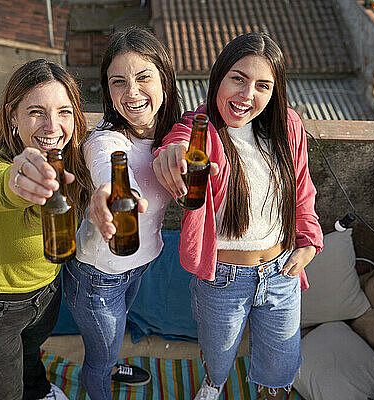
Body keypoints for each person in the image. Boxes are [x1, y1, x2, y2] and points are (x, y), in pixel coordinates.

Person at [152, 32, 323, 400]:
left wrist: (309, 243)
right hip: (223, 279)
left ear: (275, 92)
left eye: (263, 85)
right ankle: (214, 384)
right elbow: (179, 142)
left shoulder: (287, 126)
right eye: (238, 78)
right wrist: (173, 154)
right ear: (219, 77)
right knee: (218, 355)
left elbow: (302, 191)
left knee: (281, 367)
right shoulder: (200, 127)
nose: (247, 95)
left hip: (282, 273)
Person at [0, 59, 93, 400]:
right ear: (12, 116)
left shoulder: (74, 162)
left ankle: (40, 391)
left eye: (63, 112)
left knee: (30, 358)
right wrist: (19, 181)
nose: (52, 126)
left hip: (45, 296)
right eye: (36, 112)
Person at [62, 26, 182, 400]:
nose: (131, 92)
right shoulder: (106, 141)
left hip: (139, 264)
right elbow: (109, 173)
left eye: (143, 77)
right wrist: (108, 194)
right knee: (101, 354)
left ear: (165, 79)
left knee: (115, 336)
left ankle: (111, 362)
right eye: (118, 82)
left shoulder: (172, 133)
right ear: (107, 90)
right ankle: (103, 375)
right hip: (98, 277)